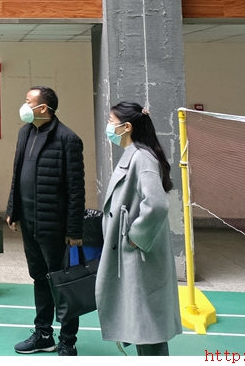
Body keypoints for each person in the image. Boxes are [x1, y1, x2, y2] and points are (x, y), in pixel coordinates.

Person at [96, 101, 182, 356]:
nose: (108, 127)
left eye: (111, 122)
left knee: (147, 324)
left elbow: (156, 204)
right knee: (142, 323)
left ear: (127, 127)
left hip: (139, 256)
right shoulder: (135, 154)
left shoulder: (141, 158)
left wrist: (135, 237)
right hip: (134, 256)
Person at [6, 86, 86, 356]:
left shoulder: (67, 139)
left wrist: (74, 230)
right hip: (30, 222)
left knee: (62, 283)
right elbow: (18, 174)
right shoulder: (25, 133)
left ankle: (68, 341)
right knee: (39, 278)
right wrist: (13, 209)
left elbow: (76, 190)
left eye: (28, 101)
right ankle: (43, 334)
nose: (24, 106)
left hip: (55, 226)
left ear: (43, 108)